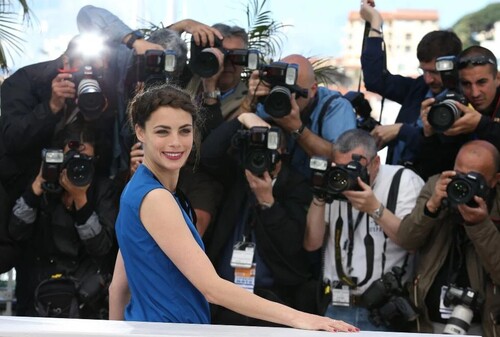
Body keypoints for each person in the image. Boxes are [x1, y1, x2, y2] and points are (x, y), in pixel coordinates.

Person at [109, 83, 358, 332]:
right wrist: (299, 318)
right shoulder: (155, 198)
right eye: (162, 132)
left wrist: (114, 331)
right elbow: (211, 288)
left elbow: (118, 287)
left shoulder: (140, 189)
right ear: (140, 132)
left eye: (184, 131)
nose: (176, 142)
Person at [77, 5, 225, 235]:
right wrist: (135, 41)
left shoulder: (179, 100)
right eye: (152, 65)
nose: (157, 79)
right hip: (108, 178)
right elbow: (87, 14)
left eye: (169, 72)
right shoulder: (126, 61)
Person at [200, 112, 320, 325]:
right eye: (257, 152)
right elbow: (208, 155)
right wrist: (243, 118)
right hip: (225, 300)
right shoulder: (238, 174)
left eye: (269, 152)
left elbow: (292, 245)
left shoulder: (297, 186)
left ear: (282, 154)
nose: (261, 159)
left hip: (273, 303)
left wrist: (268, 202)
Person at [304, 128, 425, 331]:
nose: (345, 175)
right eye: (339, 167)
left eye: (353, 167)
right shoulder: (334, 182)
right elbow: (311, 243)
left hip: (384, 311)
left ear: (375, 163)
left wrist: (375, 209)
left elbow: (412, 243)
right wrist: (319, 195)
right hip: (335, 308)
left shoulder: (403, 181)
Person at [8, 121, 119, 318]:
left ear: (97, 160)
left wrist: (80, 199)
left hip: (86, 298)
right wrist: (38, 185)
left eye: (85, 160)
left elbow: (101, 247)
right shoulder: (47, 182)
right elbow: (17, 230)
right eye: (71, 159)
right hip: (40, 293)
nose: (77, 167)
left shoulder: (103, 189)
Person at [397, 140, 500, 337]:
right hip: (429, 322)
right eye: (459, 174)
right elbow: (406, 240)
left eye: (474, 178)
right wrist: (431, 207)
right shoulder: (438, 186)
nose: (463, 184)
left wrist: (480, 224)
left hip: (483, 326)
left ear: (495, 180)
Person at [359, 0, 462, 169]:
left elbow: (441, 150)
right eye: (424, 71)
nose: (428, 79)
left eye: (435, 72)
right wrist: (375, 24)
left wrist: (401, 130)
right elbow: (375, 80)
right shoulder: (419, 88)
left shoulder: (465, 99)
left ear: (452, 65)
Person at [245, 54, 357, 179]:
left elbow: (342, 158)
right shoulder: (270, 99)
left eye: (293, 92)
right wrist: (250, 100)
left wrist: (297, 128)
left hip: (316, 191)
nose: (285, 99)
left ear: (313, 89)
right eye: (278, 89)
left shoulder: (335, 107)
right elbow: (231, 135)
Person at [417, 45, 500, 180]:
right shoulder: (455, 108)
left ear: (498, 78)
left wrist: (481, 125)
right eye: (466, 84)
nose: (475, 93)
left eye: (481, 82)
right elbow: (432, 173)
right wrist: (429, 136)